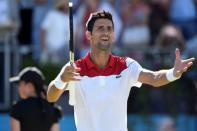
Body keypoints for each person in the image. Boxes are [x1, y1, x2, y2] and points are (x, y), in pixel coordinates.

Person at [47, 11, 195, 131]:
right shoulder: (74, 69)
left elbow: (154, 78)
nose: (105, 32)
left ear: (113, 35)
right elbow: (51, 96)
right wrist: (62, 79)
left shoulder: (126, 65)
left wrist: (173, 73)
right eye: (100, 28)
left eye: (109, 29)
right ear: (88, 35)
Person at [9, 67, 62, 131]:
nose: (19, 88)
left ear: (30, 86)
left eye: (20, 84)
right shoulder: (52, 109)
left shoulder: (17, 108)